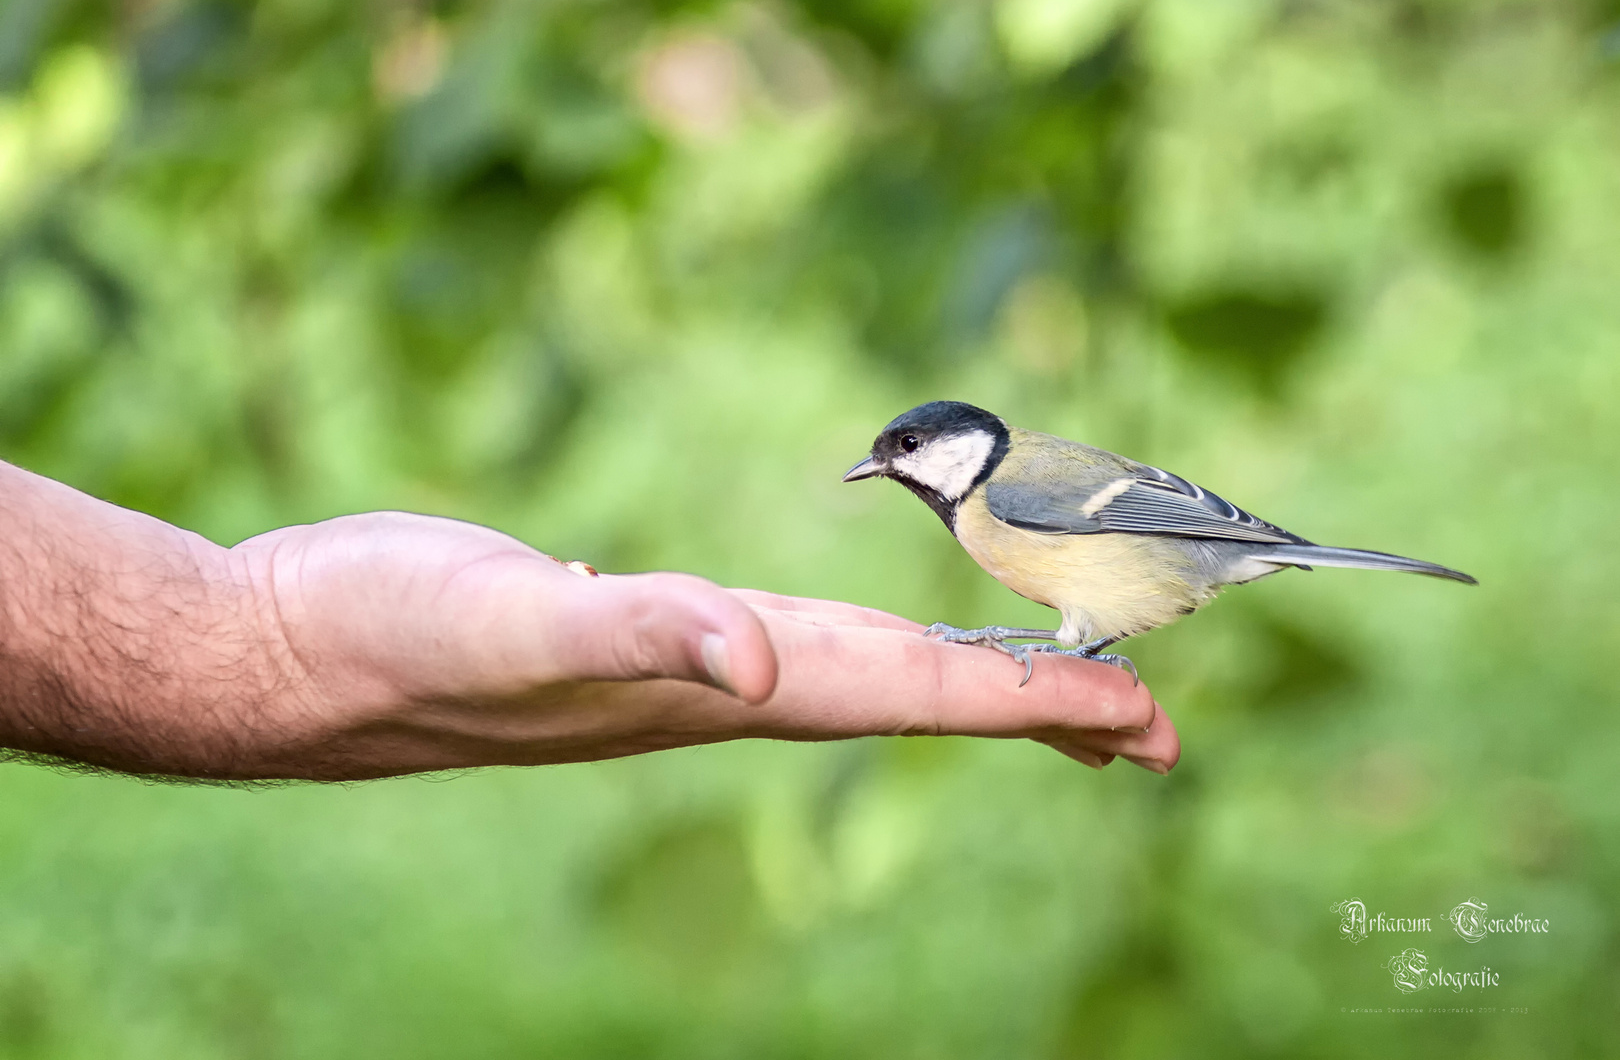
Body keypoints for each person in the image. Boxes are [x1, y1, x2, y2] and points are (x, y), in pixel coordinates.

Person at [0, 460, 1179, 781]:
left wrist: (254, 631)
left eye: (905, 451)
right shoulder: (990, 500)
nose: (888, 469)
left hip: (1168, 556)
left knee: (1050, 649)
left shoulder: (1010, 495)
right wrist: (260, 636)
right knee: (1042, 649)